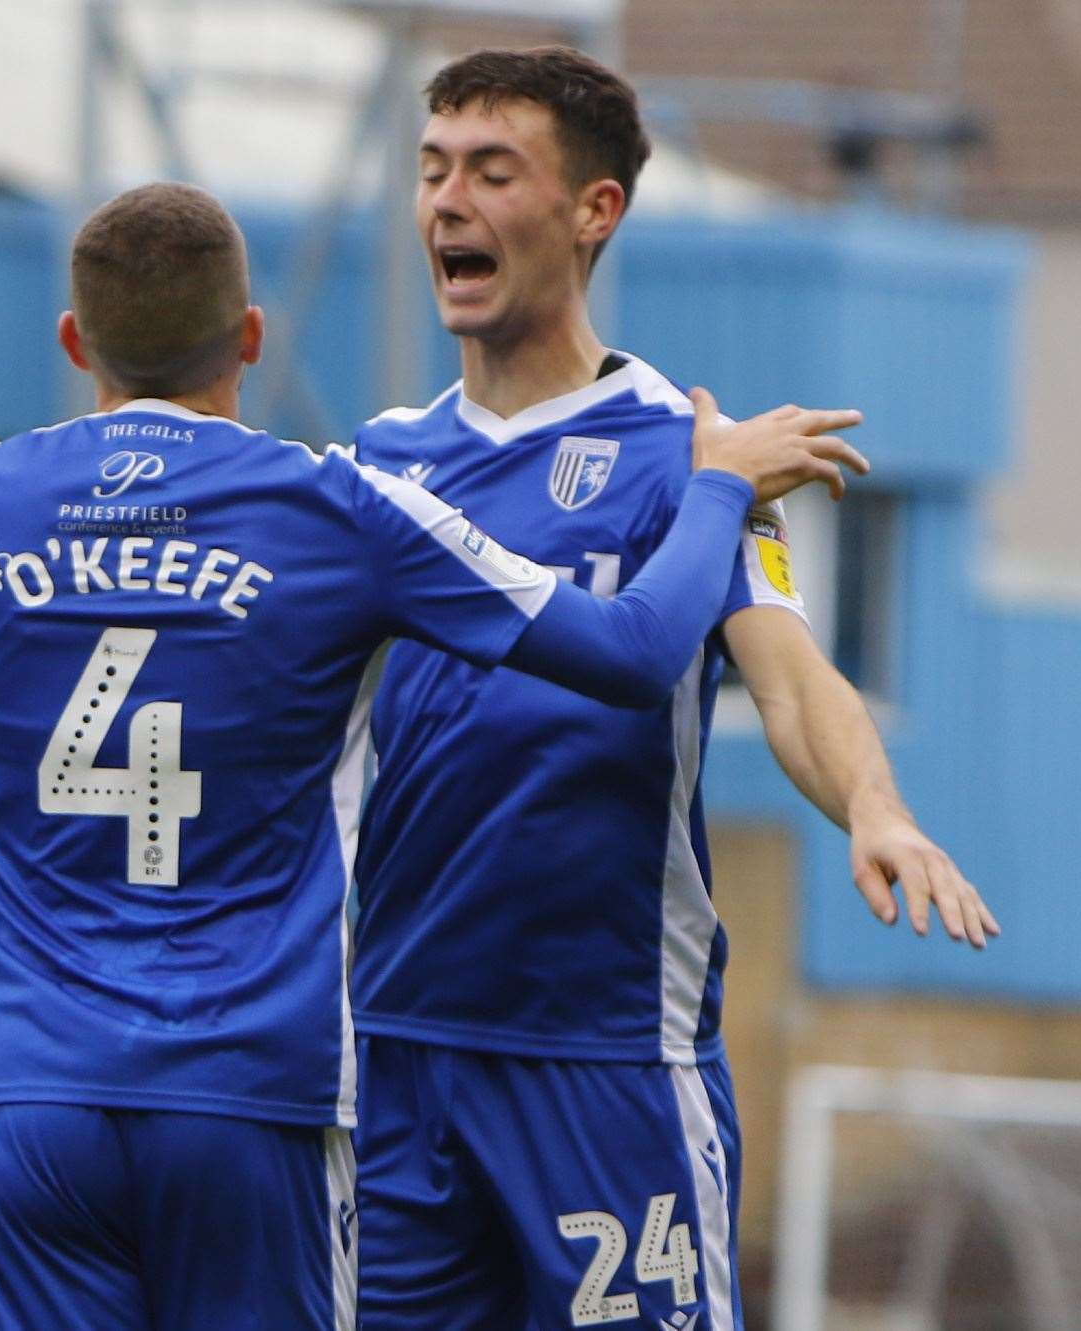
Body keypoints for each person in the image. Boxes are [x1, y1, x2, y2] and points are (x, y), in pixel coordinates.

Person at [0, 181, 864, 1331]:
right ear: (252, 337)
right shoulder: (333, 505)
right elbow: (631, 651)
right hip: (251, 1089)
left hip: (25, 1089)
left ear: (74, 341)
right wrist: (718, 485)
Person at [349, 47, 1001, 1331]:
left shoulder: (690, 458)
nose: (447, 203)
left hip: (603, 1065)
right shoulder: (381, 460)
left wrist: (877, 805)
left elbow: (795, 675)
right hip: (394, 1051)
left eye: (492, 171)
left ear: (595, 211)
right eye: (431, 172)